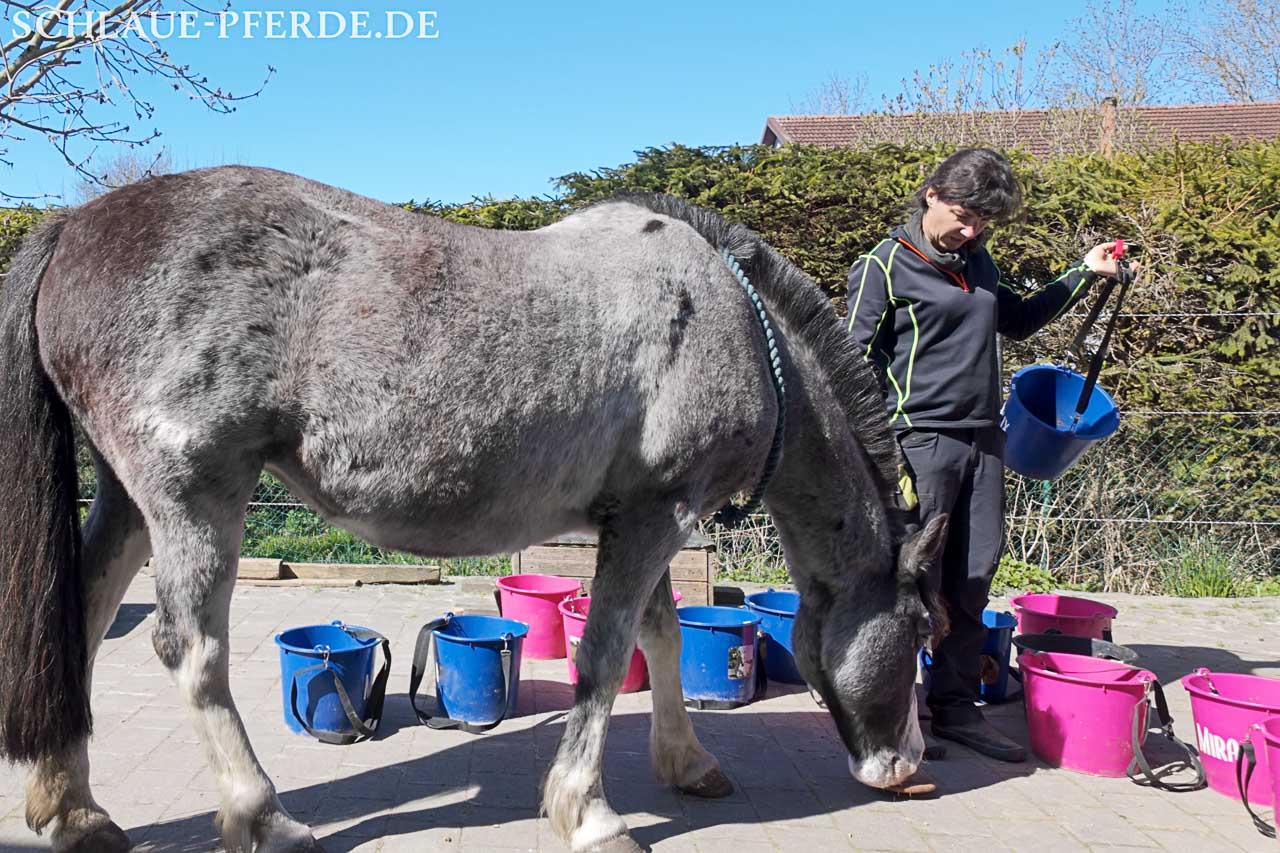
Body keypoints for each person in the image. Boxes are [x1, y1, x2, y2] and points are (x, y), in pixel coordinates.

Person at [846, 147, 1134, 762]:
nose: (971, 230)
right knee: (909, 582)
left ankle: (953, 709)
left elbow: (1020, 321)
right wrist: (879, 453)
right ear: (931, 195)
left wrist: (1084, 273)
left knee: (972, 577)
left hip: (985, 439)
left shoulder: (978, 262)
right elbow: (850, 368)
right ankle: (892, 716)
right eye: (963, 214)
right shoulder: (885, 265)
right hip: (919, 442)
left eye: (983, 222)